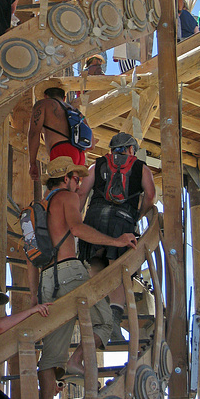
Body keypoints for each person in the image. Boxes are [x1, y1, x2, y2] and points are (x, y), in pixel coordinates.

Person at [25, 156, 136, 399]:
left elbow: (30, 255)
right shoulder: (67, 198)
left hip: (46, 280)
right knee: (105, 320)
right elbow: (77, 228)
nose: (78, 184)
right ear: (65, 178)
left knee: (51, 352)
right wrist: (115, 240)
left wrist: (33, 295)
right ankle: (76, 361)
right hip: (70, 271)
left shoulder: (36, 208)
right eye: (75, 178)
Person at [77, 132, 156, 341]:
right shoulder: (141, 167)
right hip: (123, 221)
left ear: (112, 149)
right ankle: (112, 323)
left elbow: (83, 192)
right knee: (119, 271)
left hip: (94, 218)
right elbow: (150, 195)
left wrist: (76, 219)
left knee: (95, 265)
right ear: (131, 149)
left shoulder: (98, 164)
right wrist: (138, 215)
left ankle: (98, 318)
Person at [28, 78, 89, 181]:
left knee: (58, 191)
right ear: (64, 97)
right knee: (71, 190)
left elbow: (34, 133)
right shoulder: (76, 112)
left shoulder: (43, 104)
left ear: (45, 96)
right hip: (79, 154)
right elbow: (91, 145)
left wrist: (32, 163)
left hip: (61, 152)